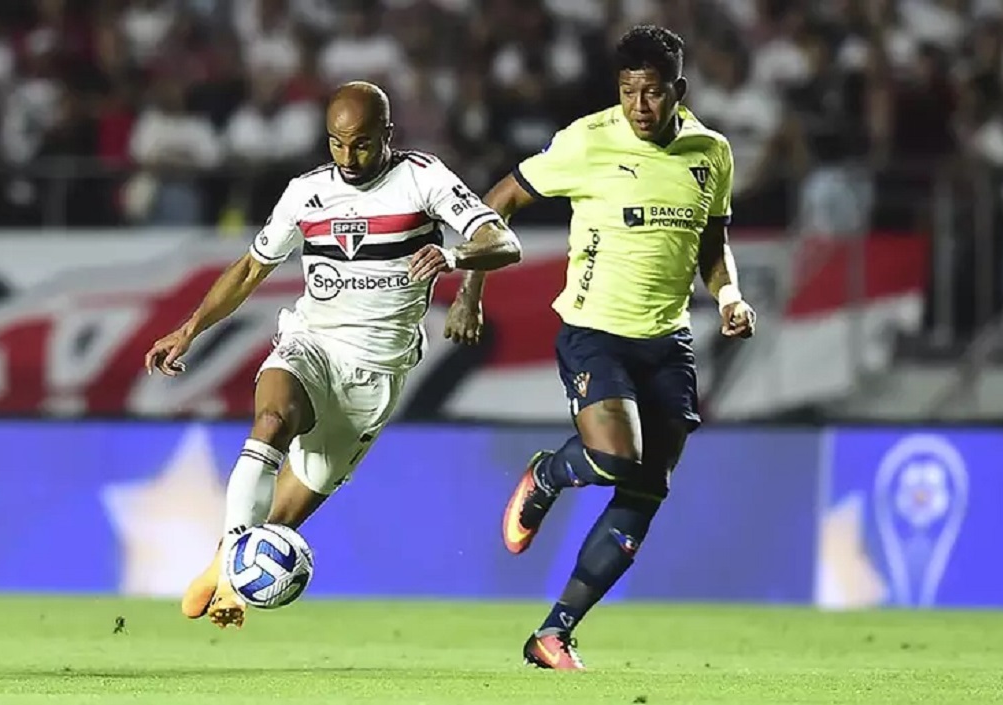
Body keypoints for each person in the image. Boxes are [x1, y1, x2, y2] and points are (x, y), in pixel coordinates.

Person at [144, 81, 521, 629]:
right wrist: (189, 330)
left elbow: (504, 242)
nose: (348, 157)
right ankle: (230, 579)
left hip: (375, 372)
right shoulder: (306, 193)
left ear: (387, 134)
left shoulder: (423, 178)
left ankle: (224, 561)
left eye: (362, 144)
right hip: (311, 341)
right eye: (337, 143)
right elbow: (250, 269)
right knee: (272, 419)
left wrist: (454, 254)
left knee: (280, 521)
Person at [444, 25, 757, 670]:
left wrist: (729, 296)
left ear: (679, 91)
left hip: (669, 341)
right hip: (595, 332)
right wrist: (470, 293)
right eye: (628, 91)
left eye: (653, 92)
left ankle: (554, 634)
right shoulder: (587, 141)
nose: (640, 106)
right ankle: (547, 475)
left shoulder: (711, 153)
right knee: (615, 457)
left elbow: (713, 242)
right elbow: (496, 203)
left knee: (647, 489)